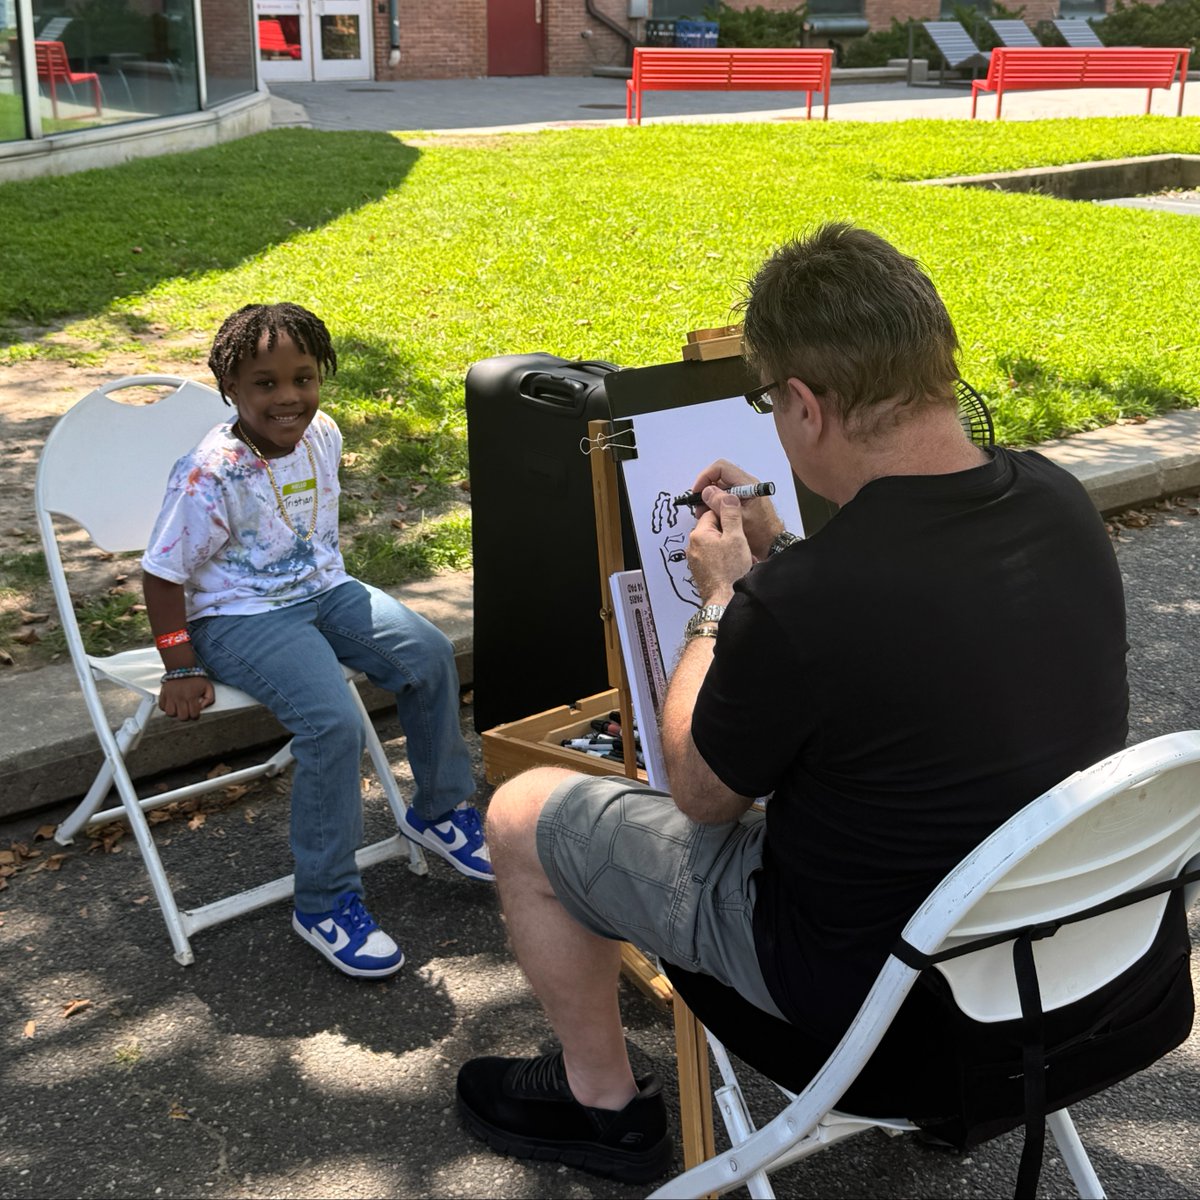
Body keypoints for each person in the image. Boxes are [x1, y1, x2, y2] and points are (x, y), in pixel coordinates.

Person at [455, 223, 1128, 1183]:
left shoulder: (803, 603)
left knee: (524, 813)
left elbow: (698, 793)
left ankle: (600, 1103)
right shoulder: (1057, 500)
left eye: (769, 400)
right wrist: (786, 565)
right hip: (1074, 977)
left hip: (885, 1027)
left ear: (805, 405)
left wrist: (723, 600)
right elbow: (916, 630)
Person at [142, 302, 492, 981]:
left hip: (324, 591)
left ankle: (440, 810)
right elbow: (161, 574)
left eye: (302, 378)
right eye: (265, 384)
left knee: (426, 654)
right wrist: (178, 663)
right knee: (331, 723)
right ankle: (325, 903)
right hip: (239, 617)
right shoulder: (210, 472)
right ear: (231, 388)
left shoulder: (321, 433)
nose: (288, 397)